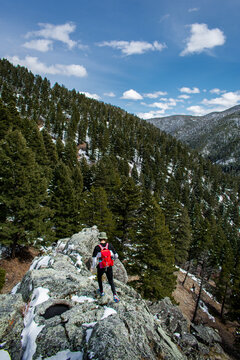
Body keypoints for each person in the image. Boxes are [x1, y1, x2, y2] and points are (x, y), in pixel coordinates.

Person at [91, 232, 120, 303]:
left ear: (99, 239)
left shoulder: (97, 247)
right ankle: (114, 295)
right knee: (111, 280)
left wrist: (93, 267)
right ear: (105, 238)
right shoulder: (109, 245)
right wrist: (112, 259)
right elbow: (116, 255)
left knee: (99, 278)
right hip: (109, 265)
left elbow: (94, 259)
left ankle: (101, 291)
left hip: (101, 266)